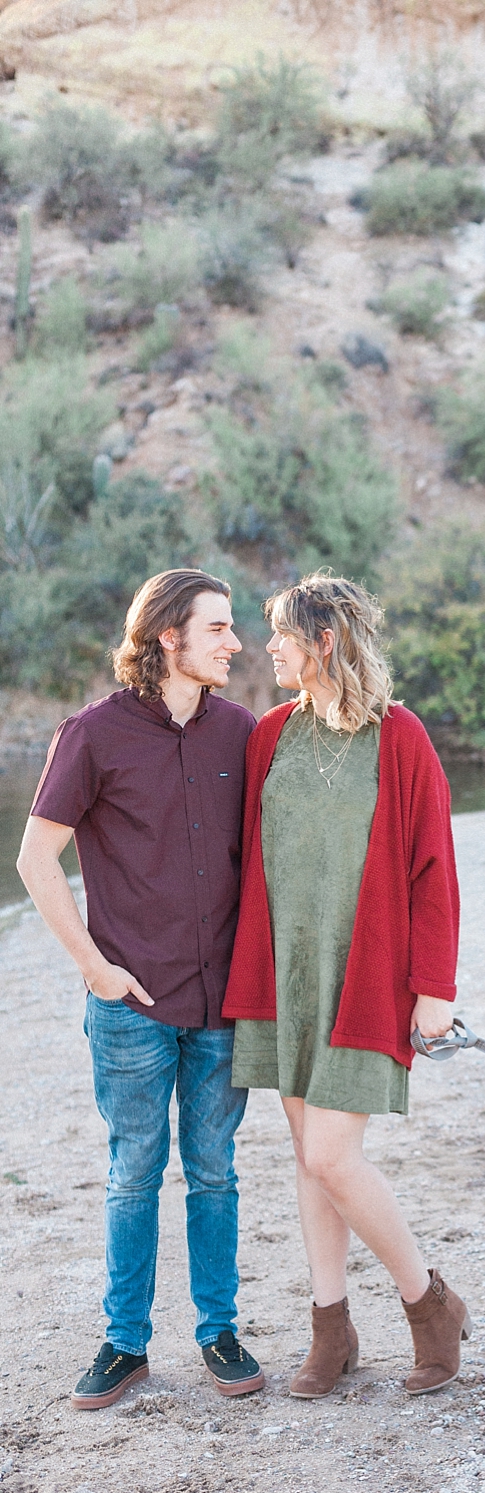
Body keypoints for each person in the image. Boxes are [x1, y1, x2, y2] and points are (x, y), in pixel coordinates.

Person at [16, 569, 263, 1409]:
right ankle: (124, 1344)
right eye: (219, 627)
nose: (236, 643)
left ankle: (218, 1330)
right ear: (169, 636)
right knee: (133, 1173)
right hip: (128, 1001)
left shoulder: (242, 733)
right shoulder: (91, 734)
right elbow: (34, 859)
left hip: (221, 999)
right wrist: (93, 967)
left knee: (215, 1170)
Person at [222, 572, 470, 1399]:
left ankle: (427, 1304)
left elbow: (435, 869)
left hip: (365, 976)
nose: (270, 649)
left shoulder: (400, 738)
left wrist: (434, 987)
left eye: (283, 636)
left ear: (324, 641)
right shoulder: (268, 736)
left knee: (333, 1153)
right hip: (282, 973)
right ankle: (331, 1331)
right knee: (308, 1157)